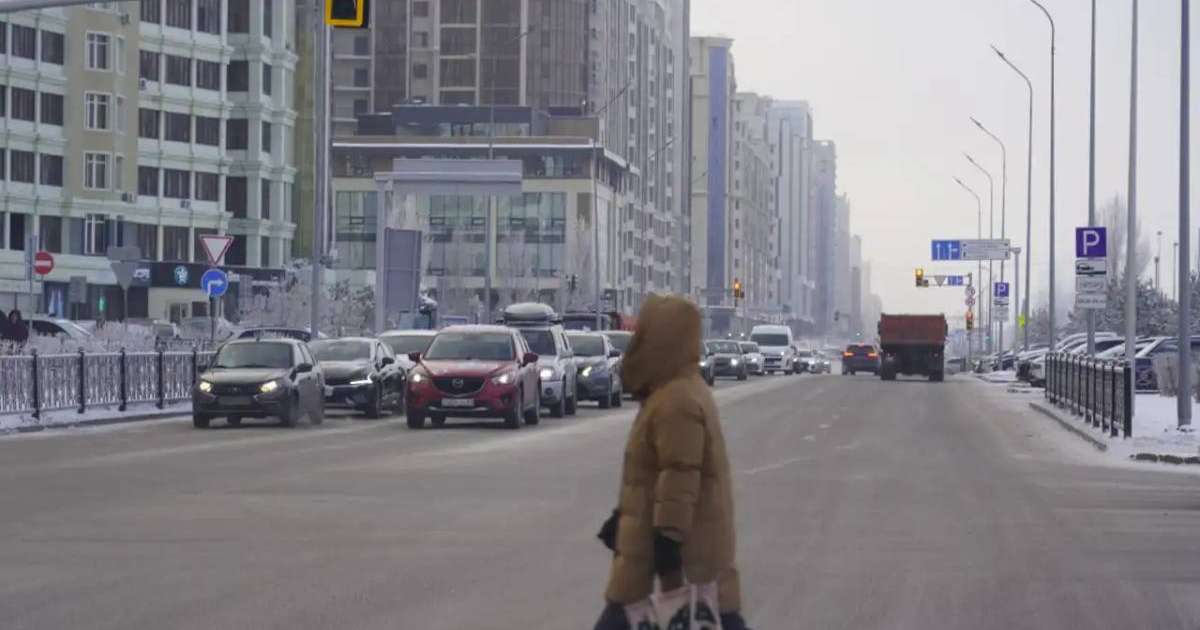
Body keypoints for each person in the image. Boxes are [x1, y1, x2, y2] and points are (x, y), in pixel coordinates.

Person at [593, 294, 748, 630]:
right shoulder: (675, 391)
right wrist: (624, 518)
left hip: (678, 558)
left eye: (645, 335)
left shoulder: (677, 399)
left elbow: (680, 474)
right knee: (719, 617)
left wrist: (669, 539)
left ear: (661, 340)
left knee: (627, 619)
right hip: (672, 552)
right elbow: (655, 475)